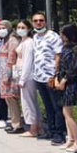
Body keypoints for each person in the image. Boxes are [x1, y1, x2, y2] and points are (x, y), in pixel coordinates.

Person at [31, 12, 65, 144]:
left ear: (45, 21)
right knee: (48, 106)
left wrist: (55, 74)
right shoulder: (35, 37)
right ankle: (50, 130)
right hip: (39, 77)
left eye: (41, 20)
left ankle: (59, 133)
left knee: (57, 106)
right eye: (35, 21)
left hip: (51, 77)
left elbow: (58, 55)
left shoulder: (53, 36)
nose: (38, 23)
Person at [58, 24, 77, 152]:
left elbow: (73, 68)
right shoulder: (65, 47)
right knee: (66, 112)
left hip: (71, 83)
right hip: (65, 81)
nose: (61, 36)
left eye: (62, 34)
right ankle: (70, 139)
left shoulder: (75, 49)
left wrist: (63, 80)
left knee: (68, 113)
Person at [15, 20, 41, 138]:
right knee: (29, 101)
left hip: (27, 76)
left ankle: (33, 129)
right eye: (19, 27)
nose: (20, 29)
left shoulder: (29, 43)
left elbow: (27, 62)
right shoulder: (23, 41)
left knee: (28, 102)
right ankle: (38, 127)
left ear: (29, 29)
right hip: (21, 74)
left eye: (23, 27)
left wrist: (22, 79)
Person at [0, 19, 22, 133]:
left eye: (3, 28)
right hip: (4, 74)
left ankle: (17, 124)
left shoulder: (12, 41)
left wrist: (7, 76)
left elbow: (11, 59)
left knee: (12, 99)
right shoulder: (4, 40)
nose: (1, 30)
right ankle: (14, 122)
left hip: (10, 75)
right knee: (9, 100)